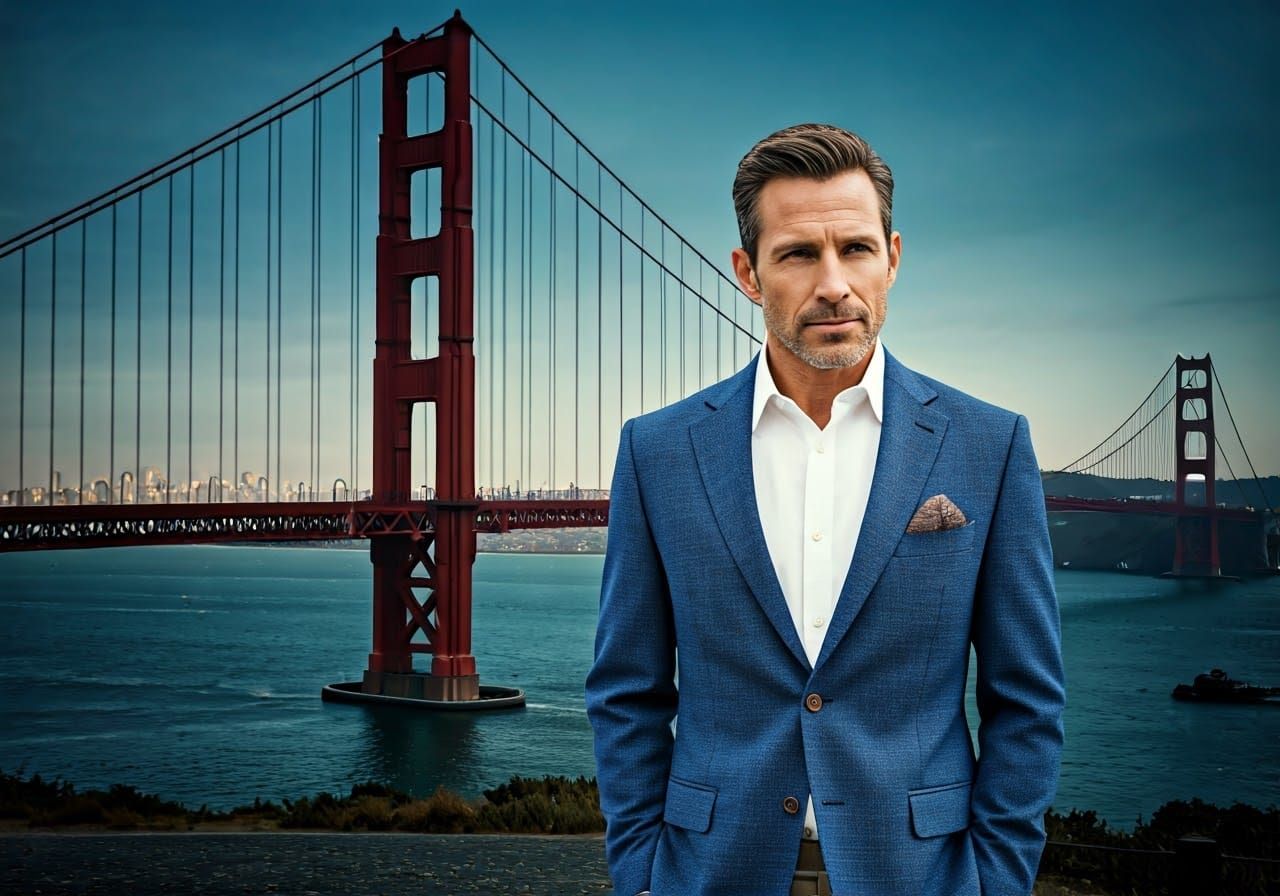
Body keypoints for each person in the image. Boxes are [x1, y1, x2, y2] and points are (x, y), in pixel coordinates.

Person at [585, 123, 1065, 896]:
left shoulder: (990, 446)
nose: (834, 282)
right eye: (799, 254)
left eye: (857, 248)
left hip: (923, 878)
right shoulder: (658, 451)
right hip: (710, 875)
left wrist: (996, 881)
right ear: (747, 272)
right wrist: (641, 872)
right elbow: (625, 691)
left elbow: (1027, 700)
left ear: (893, 258)